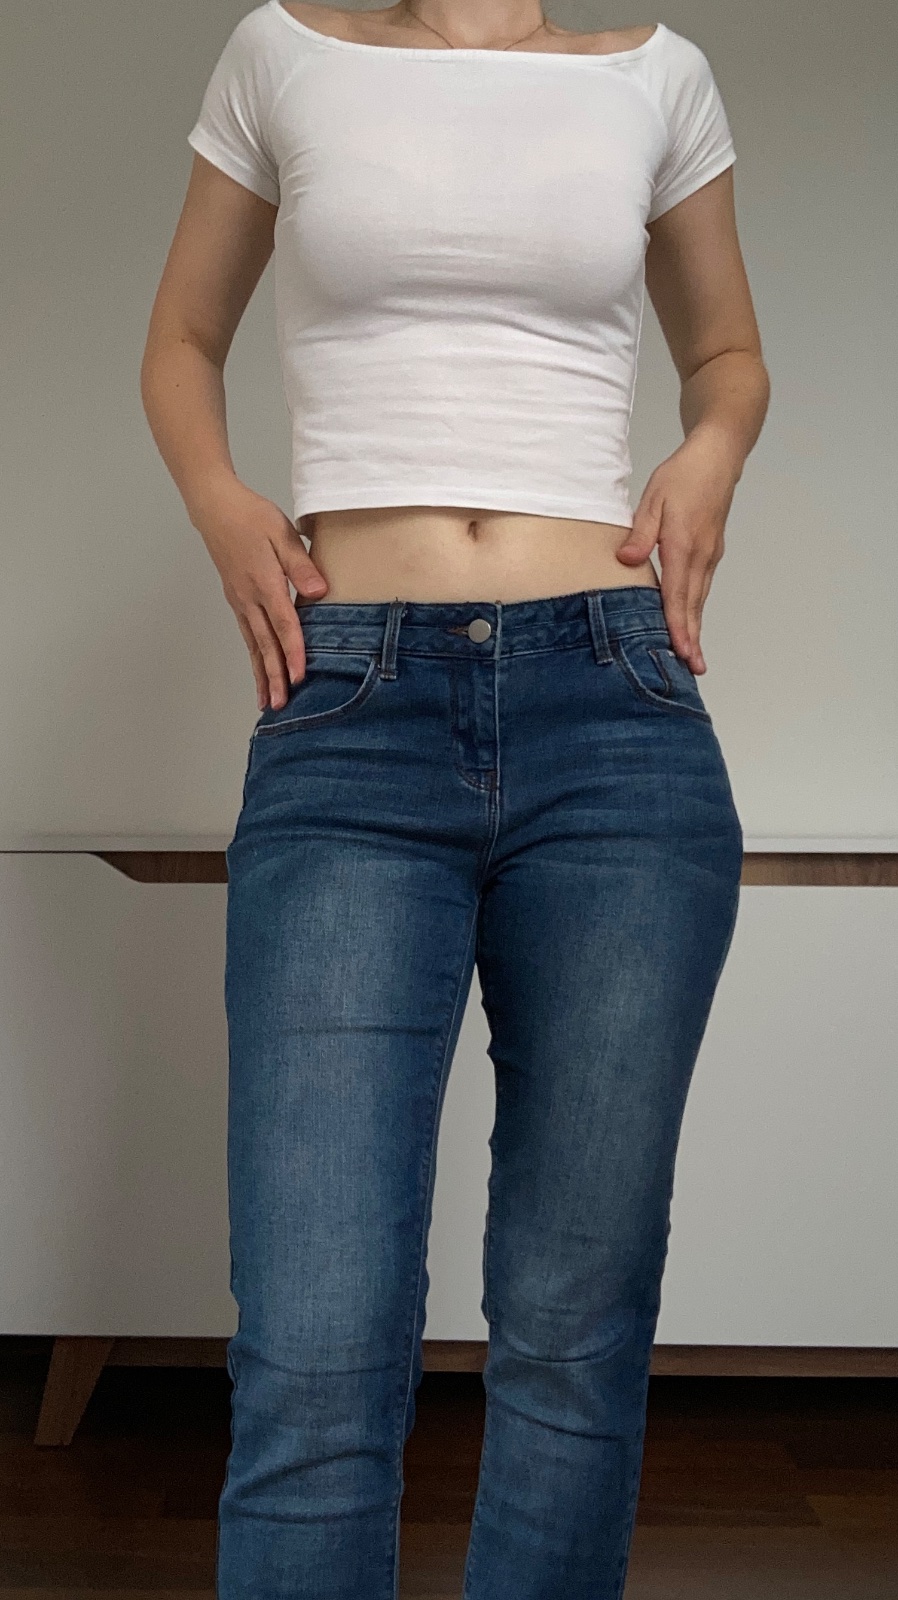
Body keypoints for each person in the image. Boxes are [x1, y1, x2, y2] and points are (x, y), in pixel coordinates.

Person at [140, 3, 769, 1595]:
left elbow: (726, 354)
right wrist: (222, 502)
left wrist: (708, 451)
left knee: (574, 1325)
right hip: (352, 711)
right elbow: (183, 339)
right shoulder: (282, 52)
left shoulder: (658, 77)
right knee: (313, 1336)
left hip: (612, 714)